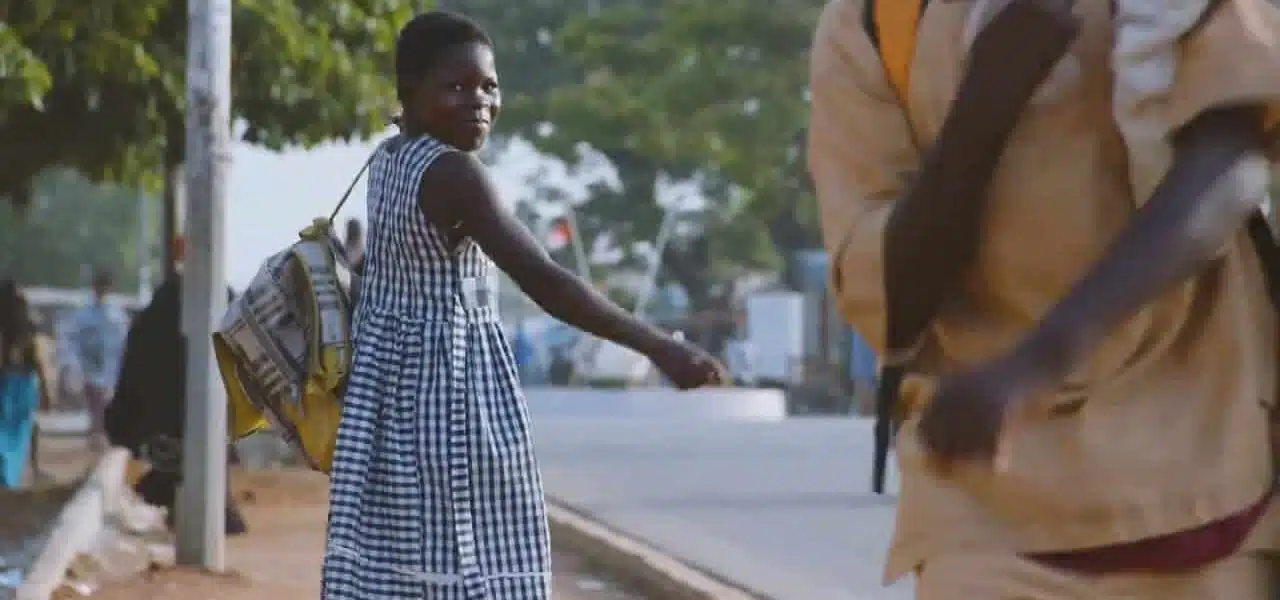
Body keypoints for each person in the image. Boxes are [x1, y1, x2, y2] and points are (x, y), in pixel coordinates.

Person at [809, 0, 1280, 598]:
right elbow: (893, 296)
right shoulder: (874, 23)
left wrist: (1035, 367)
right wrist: (988, 96)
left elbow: (1229, 171)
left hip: (1205, 479)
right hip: (985, 500)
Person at [321, 11, 726, 600]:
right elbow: (547, 280)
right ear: (410, 91)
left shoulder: (390, 159)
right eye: (455, 87)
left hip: (390, 402)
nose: (478, 101)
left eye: (488, 86)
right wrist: (659, 346)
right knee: (473, 564)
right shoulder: (455, 174)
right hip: (447, 402)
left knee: (403, 567)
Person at [105, 273, 248, 535]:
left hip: (165, 419)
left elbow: (131, 379)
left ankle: (171, 490)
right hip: (204, 418)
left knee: (175, 453)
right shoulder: (228, 318)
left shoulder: (151, 323)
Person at [61, 269, 127, 451]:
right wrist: (73, 365)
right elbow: (72, 338)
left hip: (110, 370)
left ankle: (100, 443)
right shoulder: (84, 312)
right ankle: (94, 444)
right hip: (88, 369)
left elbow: (122, 343)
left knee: (104, 408)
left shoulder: (116, 314)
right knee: (95, 409)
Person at [0, 281, 48, 488]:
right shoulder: (27, 325)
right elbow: (37, 359)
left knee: (5, 431)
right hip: (25, 383)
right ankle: (12, 475)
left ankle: (6, 473)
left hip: (7, 382)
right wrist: (45, 388)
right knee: (20, 431)